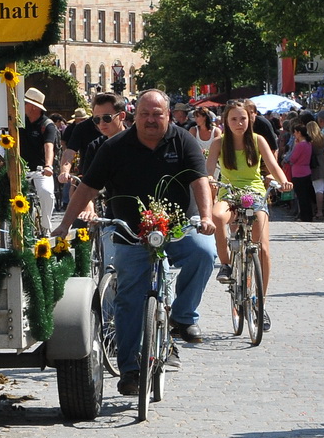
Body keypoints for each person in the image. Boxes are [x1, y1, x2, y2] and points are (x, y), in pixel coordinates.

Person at [58, 89, 218, 397]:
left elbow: (200, 180)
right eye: (145, 113)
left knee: (204, 252)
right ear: (134, 115)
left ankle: (183, 317)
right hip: (131, 232)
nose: (151, 119)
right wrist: (66, 223)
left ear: (168, 116)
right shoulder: (115, 147)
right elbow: (88, 186)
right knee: (129, 298)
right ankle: (130, 369)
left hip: (176, 227)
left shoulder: (183, 141)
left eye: (158, 114)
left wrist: (207, 217)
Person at [208, 101, 292, 320]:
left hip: (254, 194)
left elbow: (274, 165)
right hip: (229, 193)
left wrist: (283, 181)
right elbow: (207, 171)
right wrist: (208, 179)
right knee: (217, 216)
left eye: (243, 118)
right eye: (234, 119)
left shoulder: (258, 140)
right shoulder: (219, 143)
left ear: (250, 119)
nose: (239, 123)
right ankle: (226, 264)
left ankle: (260, 303)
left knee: (263, 248)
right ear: (226, 120)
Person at [18, 88, 60, 233]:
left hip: (40, 169)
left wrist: (48, 166)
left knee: (46, 193)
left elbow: (49, 146)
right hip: (20, 169)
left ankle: (46, 226)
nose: (22, 105)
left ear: (33, 106)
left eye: (25, 103)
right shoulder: (20, 122)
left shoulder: (47, 125)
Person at [285, 121, 316, 222]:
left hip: (298, 172)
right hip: (307, 170)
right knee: (307, 195)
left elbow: (293, 158)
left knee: (301, 196)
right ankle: (309, 215)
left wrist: (294, 146)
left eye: (295, 132)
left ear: (298, 132)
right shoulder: (308, 144)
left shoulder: (299, 145)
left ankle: (304, 216)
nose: (294, 134)